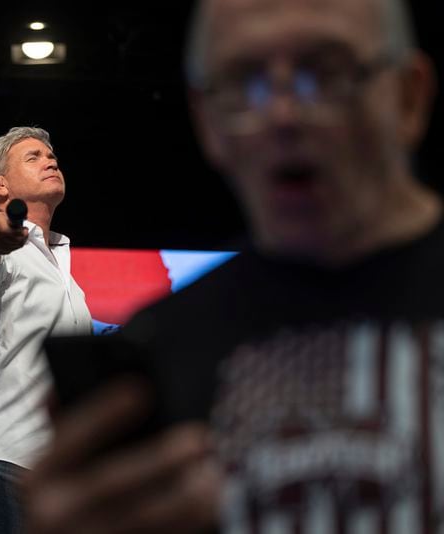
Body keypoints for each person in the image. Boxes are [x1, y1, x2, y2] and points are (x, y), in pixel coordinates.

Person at [22, 0, 441, 532]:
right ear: (208, 121)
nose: (284, 112)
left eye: (328, 72)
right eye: (245, 80)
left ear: (408, 97)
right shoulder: (162, 350)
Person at [0, 126, 93, 533]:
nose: (51, 161)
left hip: (57, 475)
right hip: (4, 463)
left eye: (53, 157)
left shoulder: (68, 276)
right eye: (33, 157)